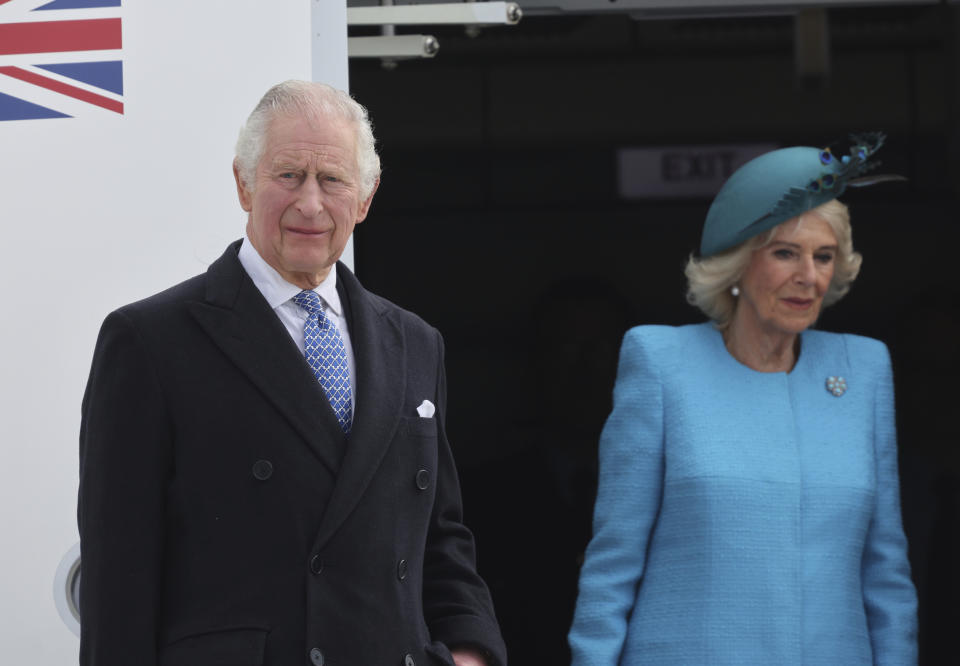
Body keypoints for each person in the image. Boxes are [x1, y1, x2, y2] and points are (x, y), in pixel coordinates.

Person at [78, 80, 506, 666]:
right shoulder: (150, 340)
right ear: (243, 183)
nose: (310, 203)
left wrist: (469, 652)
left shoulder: (415, 344)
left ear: (366, 197)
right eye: (288, 175)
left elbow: (441, 540)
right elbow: (118, 575)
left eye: (332, 179)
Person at [568, 136, 917, 664]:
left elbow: (885, 574)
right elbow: (614, 564)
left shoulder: (862, 371)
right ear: (737, 263)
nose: (809, 276)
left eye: (823, 257)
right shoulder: (662, 362)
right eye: (785, 253)